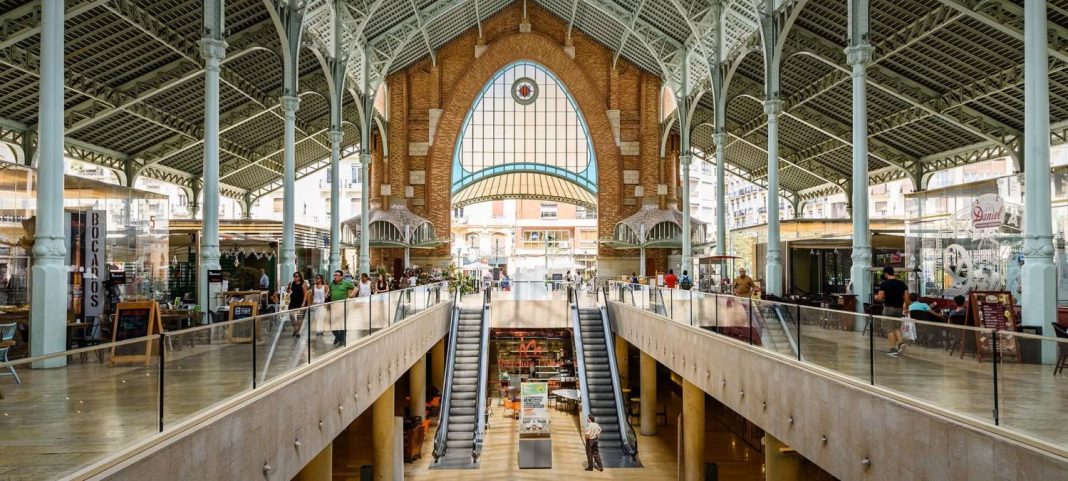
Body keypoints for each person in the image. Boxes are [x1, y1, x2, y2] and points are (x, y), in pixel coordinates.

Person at [875, 265, 909, 356]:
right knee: (896, 327)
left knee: (889, 329)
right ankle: (901, 343)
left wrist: (876, 297)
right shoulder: (902, 284)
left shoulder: (884, 284)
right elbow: (906, 298)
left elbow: (880, 297)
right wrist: (907, 308)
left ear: (886, 274)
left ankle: (892, 349)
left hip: (889, 309)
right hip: (899, 309)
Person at [329, 270, 356, 346]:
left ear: (341, 276)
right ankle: (339, 337)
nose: (335, 276)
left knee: (342, 324)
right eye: (334, 275)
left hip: (343, 307)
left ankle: (342, 340)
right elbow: (330, 291)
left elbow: (356, 288)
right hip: (333, 306)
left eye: (337, 275)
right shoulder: (332, 283)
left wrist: (351, 296)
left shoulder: (346, 283)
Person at [287, 272, 309, 337]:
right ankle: (296, 328)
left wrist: (304, 302)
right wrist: (288, 291)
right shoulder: (292, 283)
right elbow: (288, 290)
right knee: (291, 316)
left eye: (296, 276)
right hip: (292, 302)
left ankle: (297, 331)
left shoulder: (303, 284)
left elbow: (305, 294)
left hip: (300, 302)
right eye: (294, 276)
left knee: (300, 317)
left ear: (300, 277)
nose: (294, 278)